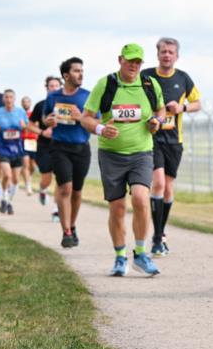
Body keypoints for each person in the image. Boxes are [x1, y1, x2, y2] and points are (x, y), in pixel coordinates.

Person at [79, 43, 163, 277]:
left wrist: (156, 122)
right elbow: (85, 118)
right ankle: (119, 257)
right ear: (120, 60)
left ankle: (140, 253)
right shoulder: (106, 84)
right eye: (130, 61)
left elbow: (161, 110)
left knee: (141, 199)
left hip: (142, 153)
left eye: (138, 62)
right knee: (117, 208)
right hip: (111, 155)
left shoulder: (149, 84)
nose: (134, 66)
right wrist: (100, 129)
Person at [142, 37, 202, 255]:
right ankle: (157, 238)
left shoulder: (183, 78)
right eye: (163, 51)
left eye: (171, 52)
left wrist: (181, 108)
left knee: (168, 187)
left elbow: (198, 103)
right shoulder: (146, 76)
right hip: (151, 138)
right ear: (157, 54)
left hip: (174, 141)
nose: (167, 55)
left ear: (177, 56)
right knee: (157, 183)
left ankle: (161, 231)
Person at [43, 57, 92, 248]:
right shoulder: (53, 97)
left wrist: (81, 118)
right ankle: (66, 232)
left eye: (82, 70)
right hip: (60, 147)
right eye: (76, 71)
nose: (81, 74)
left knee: (77, 192)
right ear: (66, 75)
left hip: (81, 148)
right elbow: (45, 117)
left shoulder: (88, 96)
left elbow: (94, 122)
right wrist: (47, 121)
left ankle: (72, 224)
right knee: (65, 188)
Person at [0, 89, 28, 215]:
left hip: (17, 149)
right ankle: (4, 197)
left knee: (15, 179)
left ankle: (9, 202)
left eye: (11, 97)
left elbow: (26, 127)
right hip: (3, 148)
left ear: (14, 99)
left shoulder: (21, 112)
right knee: (7, 175)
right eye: (6, 97)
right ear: (3, 99)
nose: (9, 99)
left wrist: (23, 126)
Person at [28, 76, 62, 215]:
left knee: (61, 177)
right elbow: (29, 125)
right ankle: (42, 189)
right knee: (46, 179)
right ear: (47, 88)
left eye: (56, 86)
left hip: (62, 145)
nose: (53, 88)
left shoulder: (66, 105)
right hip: (44, 146)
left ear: (60, 87)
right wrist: (42, 132)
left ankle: (56, 209)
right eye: (51, 86)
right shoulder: (40, 105)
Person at [20, 95, 37, 195]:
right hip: (23, 140)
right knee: (25, 163)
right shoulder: (19, 114)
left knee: (33, 165)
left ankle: (28, 177)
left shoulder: (33, 114)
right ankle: (28, 185)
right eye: (24, 102)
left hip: (33, 141)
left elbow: (36, 125)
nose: (26, 103)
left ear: (30, 103)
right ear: (22, 104)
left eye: (28, 101)